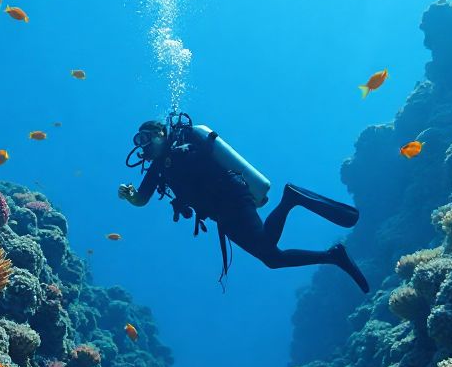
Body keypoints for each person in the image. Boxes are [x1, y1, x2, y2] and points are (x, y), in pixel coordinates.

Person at [118, 113, 369, 291]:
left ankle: (291, 199)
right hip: (221, 214)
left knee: (268, 250)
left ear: (161, 133)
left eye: (145, 138)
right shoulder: (159, 168)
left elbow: (202, 168)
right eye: (139, 142)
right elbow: (141, 199)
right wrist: (129, 195)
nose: (143, 147)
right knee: (272, 258)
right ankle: (333, 256)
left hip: (231, 197)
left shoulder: (182, 146)